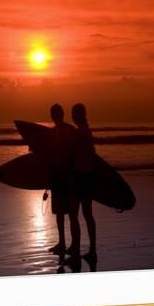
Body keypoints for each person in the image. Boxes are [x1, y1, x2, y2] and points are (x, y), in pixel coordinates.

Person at [67, 103, 97, 261]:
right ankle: (91, 250)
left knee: (74, 214)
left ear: (77, 115)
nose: (72, 117)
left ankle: (76, 248)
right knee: (87, 214)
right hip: (88, 176)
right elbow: (93, 155)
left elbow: (76, 155)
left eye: (73, 114)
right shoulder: (87, 132)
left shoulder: (81, 133)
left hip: (80, 177)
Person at [47, 103, 76, 256]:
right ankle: (65, 243)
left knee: (66, 213)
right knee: (65, 212)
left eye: (55, 113)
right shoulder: (70, 130)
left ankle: (67, 244)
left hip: (64, 177)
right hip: (63, 176)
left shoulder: (57, 133)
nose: (55, 116)